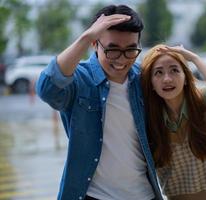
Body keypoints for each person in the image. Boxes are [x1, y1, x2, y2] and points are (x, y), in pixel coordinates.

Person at [36, 4, 162, 200]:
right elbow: (47, 89)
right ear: (95, 44)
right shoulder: (79, 79)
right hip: (94, 196)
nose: (121, 59)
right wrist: (85, 37)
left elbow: (181, 108)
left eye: (131, 50)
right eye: (112, 50)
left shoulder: (144, 79)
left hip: (145, 194)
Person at [141, 44, 206, 200]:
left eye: (174, 70)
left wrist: (194, 58)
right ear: (151, 83)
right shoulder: (149, 118)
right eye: (158, 73)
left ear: (186, 77)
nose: (167, 79)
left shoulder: (205, 102)